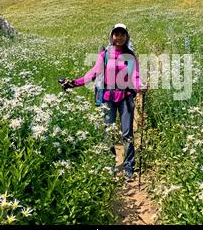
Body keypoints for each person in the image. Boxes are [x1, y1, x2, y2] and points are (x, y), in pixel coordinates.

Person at [62, 23, 145, 179]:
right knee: (108, 132)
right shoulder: (105, 55)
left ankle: (128, 167)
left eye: (122, 34)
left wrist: (141, 86)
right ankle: (110, 163)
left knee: (127, 133)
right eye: (116, 34)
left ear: (127, 37)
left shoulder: (131, 56)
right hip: (108, 98)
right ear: (111, 36)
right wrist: (73, 83)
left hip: (126, 97)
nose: (119, 37)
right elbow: (93, 74)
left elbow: (136, 76)